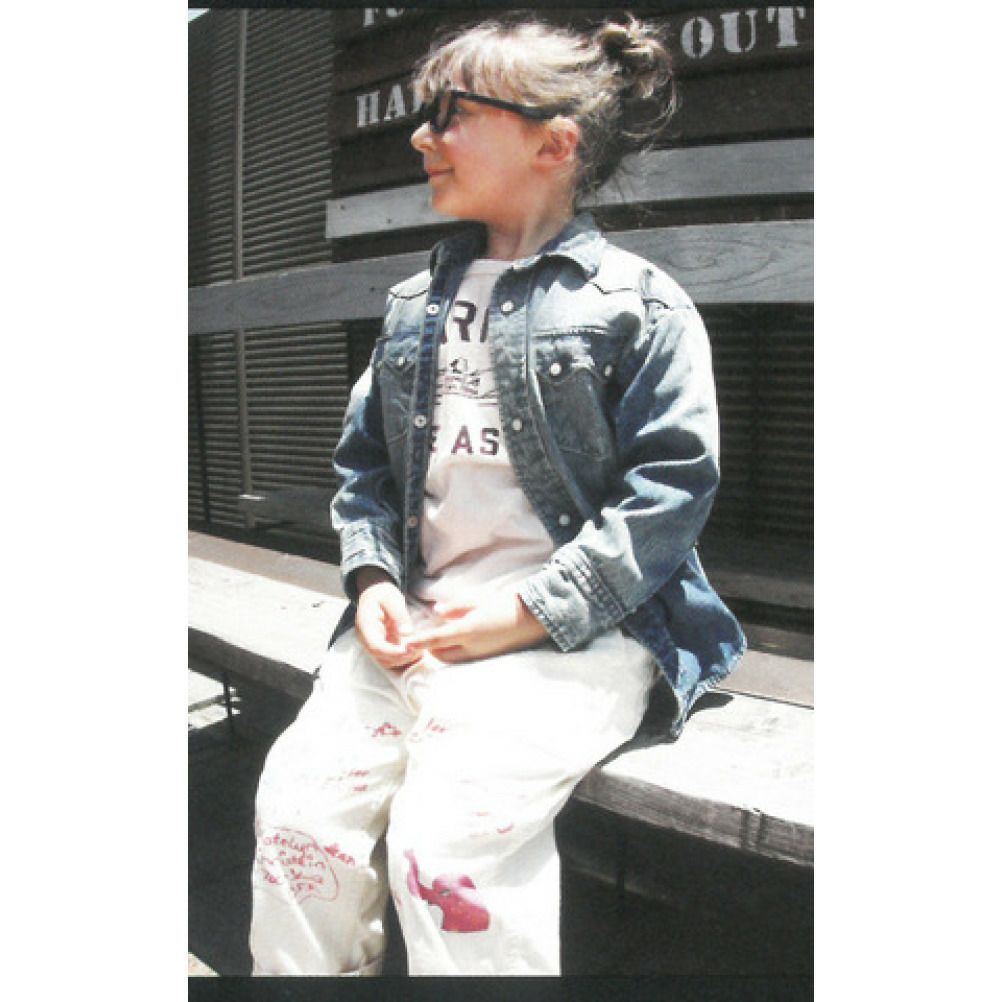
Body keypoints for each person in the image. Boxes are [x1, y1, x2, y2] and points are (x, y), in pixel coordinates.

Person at [248, 14, 745, 977]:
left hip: (573, 642)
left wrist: (525, 613)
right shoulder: (413, 309)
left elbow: (669, 492)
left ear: (553, 145)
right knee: (299, 825)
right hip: (412, 630)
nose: (420, 136)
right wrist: (372, 582)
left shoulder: (637, 306)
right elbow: (366, 472)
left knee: (446, 849)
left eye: (451, 114)